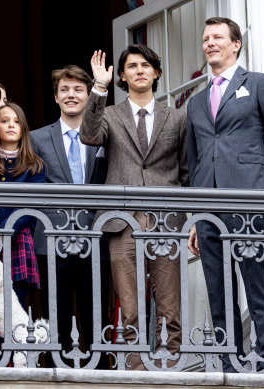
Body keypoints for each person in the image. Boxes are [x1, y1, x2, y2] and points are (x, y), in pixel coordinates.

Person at [186, 17, 264, 372]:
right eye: (205, 39)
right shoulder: (196, 101)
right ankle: (228, 365)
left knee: (257, 287)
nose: (210, 43)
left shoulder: (260, 84)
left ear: (236, 45)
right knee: (218, 292)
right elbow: (195, 159)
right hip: (209, 208)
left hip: (250, 200)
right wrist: (194, 217)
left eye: (217, 37)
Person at [80, 45, 188, 370]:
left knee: (169, 307)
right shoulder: (111, 114)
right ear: (123, 76)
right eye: (131, 66)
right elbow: (87, 134)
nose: (139, 70)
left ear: (156, 73)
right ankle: (136, 372)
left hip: (165, 221)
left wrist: (189, 218)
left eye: (145, 65)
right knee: (129, 307)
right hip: (121, 222)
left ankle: (167, 370)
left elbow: (185, 173)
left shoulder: (178, 117)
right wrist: (99, 87)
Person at [30, 65, 108, 359]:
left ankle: (100, 373)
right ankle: (55, 374)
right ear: (55, 97)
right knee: (55, 316)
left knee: (95, 317)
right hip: (50, 239)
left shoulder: (103, 136)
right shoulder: (37, 138)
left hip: (95, 238)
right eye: (64, 89)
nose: (71, 95)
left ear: (88, 96)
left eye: (77, 90)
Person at [0, 102, 46, 308]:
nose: (11, 125)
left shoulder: (35, 165)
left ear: (23, 128)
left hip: (18, 242)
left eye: (16, 121)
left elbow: (30, 207)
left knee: (16, 310)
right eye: (5, 121)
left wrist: (3, 234)